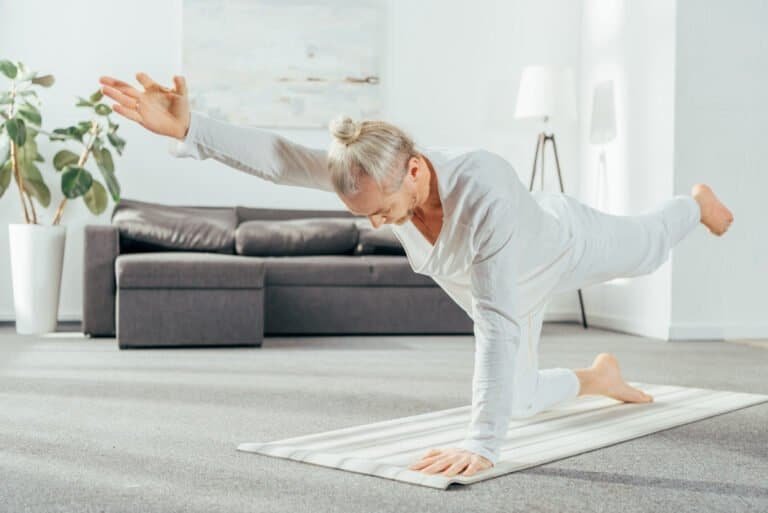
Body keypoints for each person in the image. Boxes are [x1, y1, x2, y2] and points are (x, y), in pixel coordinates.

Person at [99, 72, 734, 479]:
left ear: (416, 172)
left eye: (381, 212)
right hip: (501, 288)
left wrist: (481, 445)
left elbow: (498, 319)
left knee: (648, 250)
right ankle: (597, 378)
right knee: (516, 401)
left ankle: (694, 203)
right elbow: (282, 159)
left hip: (560, 245)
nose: (376, 224)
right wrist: (189, 128)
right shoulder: (368, 167)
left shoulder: (483, 186)